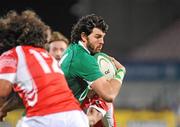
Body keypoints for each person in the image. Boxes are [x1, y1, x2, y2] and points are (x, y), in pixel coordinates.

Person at [0, 10, 89, 127]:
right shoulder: (46, 55)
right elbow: (31, 95)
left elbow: (2, 92)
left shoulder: (12, 54)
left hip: (43, 118)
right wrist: (4, 109)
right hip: (76, 118)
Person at [60, 14, 126, 126]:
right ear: (84, 37)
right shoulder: (83, 58)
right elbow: (109, 94)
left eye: (103, 37)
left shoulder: (72, 49)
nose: (102, 41)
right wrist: (121, 71)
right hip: (60, 119)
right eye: (97, 37)